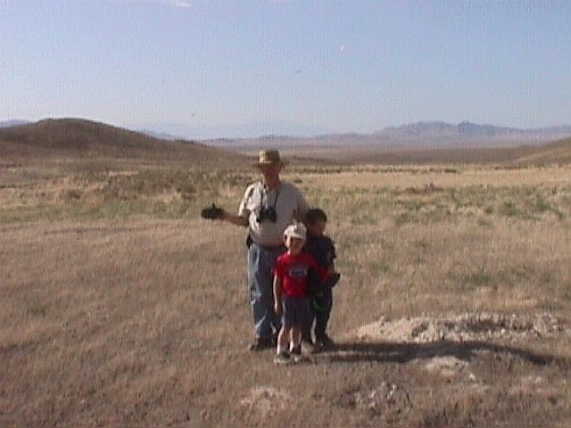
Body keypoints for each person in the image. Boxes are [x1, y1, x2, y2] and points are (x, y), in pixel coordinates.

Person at [218, 150, 309, 350]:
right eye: (264, 167)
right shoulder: (252, 192)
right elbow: (243, 220)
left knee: (284, 293)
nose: (268, 170)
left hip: (283, 253)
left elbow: (305, 217)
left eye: (272, 166)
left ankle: (282, 333)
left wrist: (306, 243)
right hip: (257, 250)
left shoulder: (291, 192)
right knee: (259, 293)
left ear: (279, 167)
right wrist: (223, 215)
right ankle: (262, 334)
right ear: (261, 169)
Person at [273, 222, 323, 364]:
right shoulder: (282, 261)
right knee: (286, 325)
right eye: (292, 240)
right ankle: (281, 351)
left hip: (302, 297)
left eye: (299, 241)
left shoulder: (307, 259)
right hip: (288, 298)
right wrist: (277, 301)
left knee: (298, 325)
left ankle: (295, 348)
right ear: (285, 240)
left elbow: (315, 274)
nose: (295, 244)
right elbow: (277, 282)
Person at [302, 208, 340, 350]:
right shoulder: (303, 242)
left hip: (324, 282)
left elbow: (330, 258)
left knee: (325, 309)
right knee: (308, 313)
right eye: (318, 227)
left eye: (323, 227)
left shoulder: (326, 241)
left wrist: (331, 270)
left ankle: (321, 334)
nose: (321, 230)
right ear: (309, 226)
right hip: (308, 284)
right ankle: (305, 339)